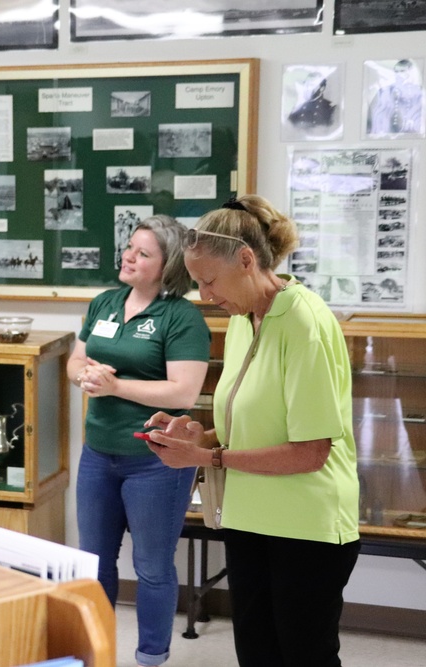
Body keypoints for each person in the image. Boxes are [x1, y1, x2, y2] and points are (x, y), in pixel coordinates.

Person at [145, 195, 360, 667]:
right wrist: (197, 439)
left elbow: (310, 452)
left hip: (308, 527)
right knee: (257, 655)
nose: (204, 295)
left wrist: (208, 460)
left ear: (246, 260)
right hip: (248, 520)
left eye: (208, 281)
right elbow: (251, 430)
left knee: (304, 656)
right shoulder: (242, 318)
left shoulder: (304, 320)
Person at [67, 215, 210, 667]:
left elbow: (183, 392)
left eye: (143, 253)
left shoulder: (182, 317)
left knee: (151, 567)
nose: (128, 256)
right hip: (98, 455)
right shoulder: (104, 303)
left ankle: (151, 656)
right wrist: (85, 375)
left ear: (167, 266)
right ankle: (97, 653)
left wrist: (115, 386)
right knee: (95, 563)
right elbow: (75, 361)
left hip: (157, 461)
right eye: (129, 247)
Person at [367, 59, 424, 136]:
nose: (402, 77)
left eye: (405, 73)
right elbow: (372, 129)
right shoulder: (383, 94)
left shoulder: (420, 96)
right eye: (398, 73)